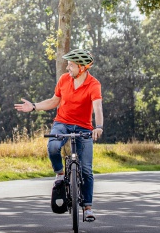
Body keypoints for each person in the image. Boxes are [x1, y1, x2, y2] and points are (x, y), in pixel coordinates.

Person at [14, 48, 103, 221]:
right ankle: (60, 174)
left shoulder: (93, 84)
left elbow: (98, 106)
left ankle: (87, 207)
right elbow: (54, 101)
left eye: (71, 65)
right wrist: (33, 106)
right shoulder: (64, 80)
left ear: (82, 67)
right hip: (62, 123)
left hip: (84, 127)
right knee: (53, 146)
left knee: (86, 169)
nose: (68, 68)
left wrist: (98, 127)